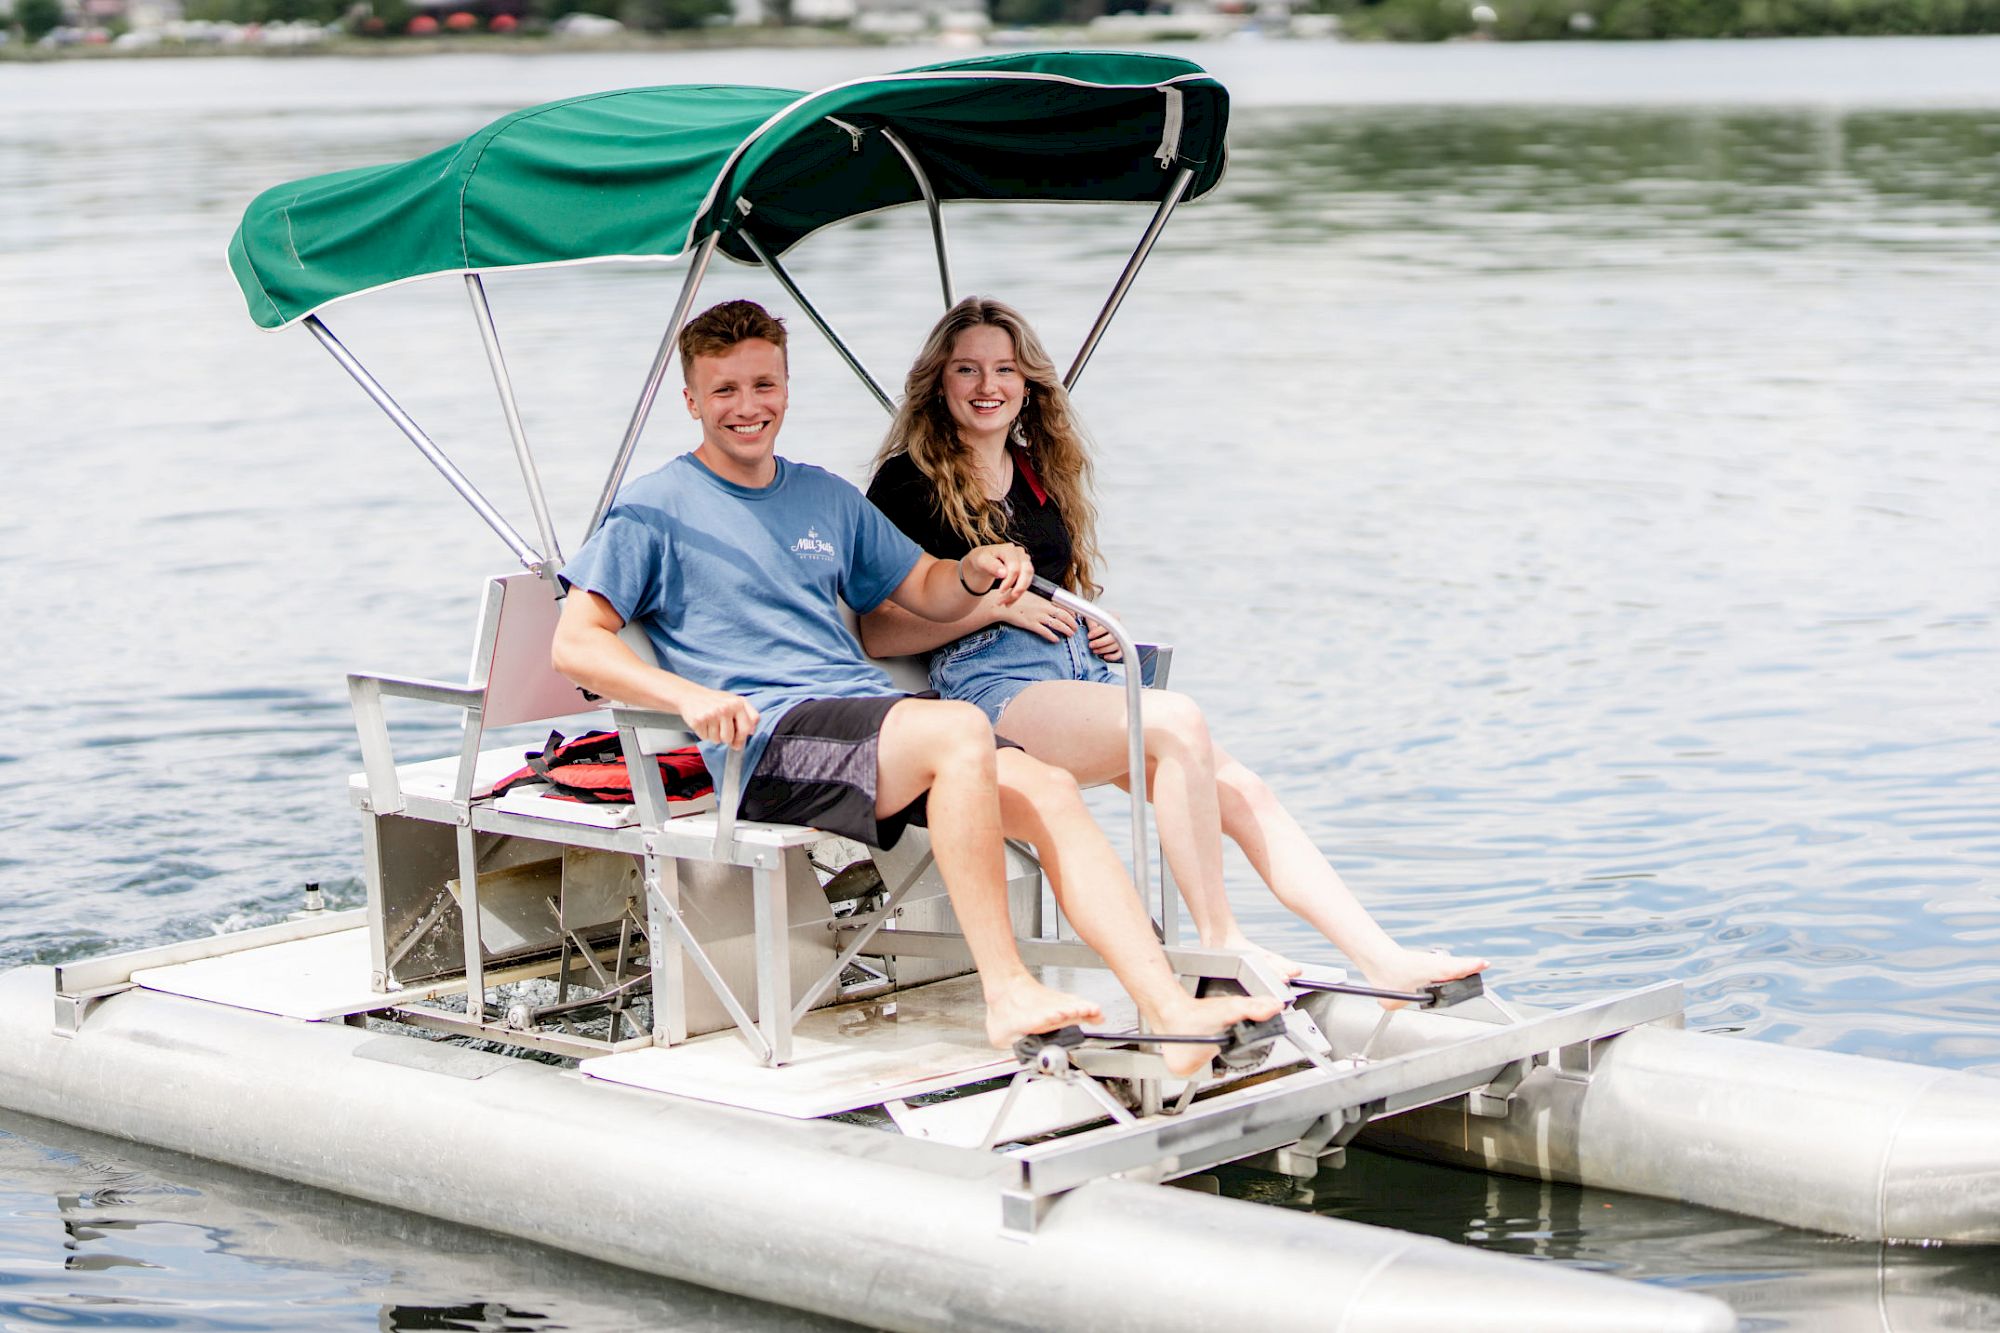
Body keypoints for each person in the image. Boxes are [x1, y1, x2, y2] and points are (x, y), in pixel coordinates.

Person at [550, 299, 1277, 1074]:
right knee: (961, 727)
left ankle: (1170, 1010)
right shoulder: (657, 508)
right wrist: (683, 696)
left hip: (873, 720)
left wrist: (970, 571)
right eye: (724, 390)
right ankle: (1007, 991)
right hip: (768, 743)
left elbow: (924, 582)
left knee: (1049, 787)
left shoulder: (822, 496)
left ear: (787, 389)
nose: (747, 407)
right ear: (692, 400)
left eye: (763, 385)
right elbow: (576, 643)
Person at [861, 297, 1485, 1002]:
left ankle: (1382, 956)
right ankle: (1219, 942)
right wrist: (985, 607)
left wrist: (1096, 616)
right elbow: (876, 630)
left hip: (1079, 671)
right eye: (967, 369)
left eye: (1005, 369)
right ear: (938, 382)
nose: (987, 386)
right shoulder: (906, 484)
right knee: (1177, 719)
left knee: (1245, 790)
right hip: (993, 690)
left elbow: (1056, 590)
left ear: (1028, 382)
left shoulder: (1037, 471)